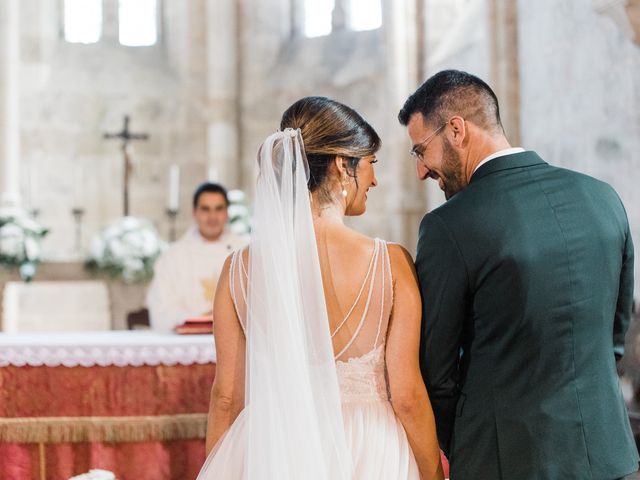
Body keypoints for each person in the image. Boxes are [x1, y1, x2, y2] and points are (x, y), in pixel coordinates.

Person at [398, 69, 638, 479]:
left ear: (456, 129)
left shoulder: (449, 226)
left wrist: (473, 446)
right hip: (610, 456)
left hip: (508, 463)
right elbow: (615, 333)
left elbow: (436, 372)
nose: (422, 171)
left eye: (421, 151)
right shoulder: (603, 198)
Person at [197, 97, 443, 479]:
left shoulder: (238, 270)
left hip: (273, 447)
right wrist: (433, 476)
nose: (375, 180)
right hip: (369, 450)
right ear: (344, 166)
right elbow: (408, 396)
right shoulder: (390, 263)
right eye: (370, 164)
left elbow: (227, 397)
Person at [146, 182, 246, 332]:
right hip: (186, 346)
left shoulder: (244, 253)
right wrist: (198, 320)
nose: (212, 216)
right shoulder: (173, 257)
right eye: (205, 209)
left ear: (227, 213)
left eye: (219, 209)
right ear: (195, 212)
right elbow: (161, 309)